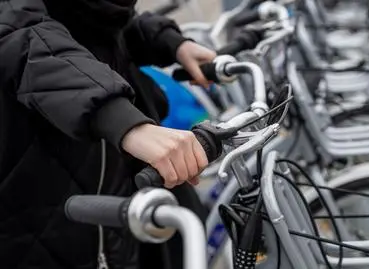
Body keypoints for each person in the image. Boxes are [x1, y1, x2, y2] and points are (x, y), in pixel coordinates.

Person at [0, 0, 216, 268]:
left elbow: (94, 22)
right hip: (42, 207)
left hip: (114, 189)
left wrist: (169, 42)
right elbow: (21, 33)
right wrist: (123, 121)